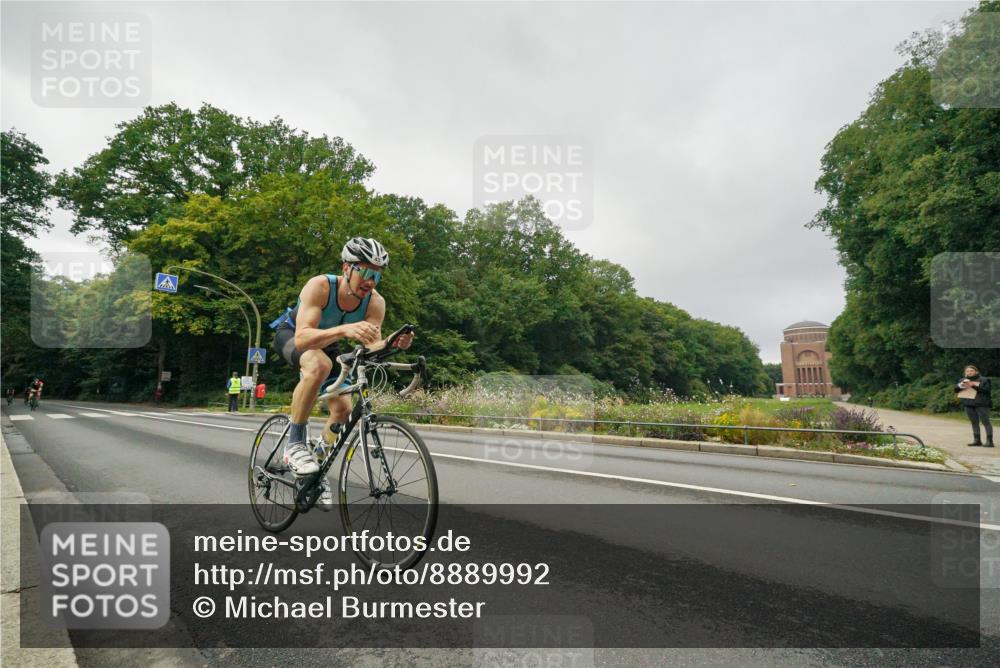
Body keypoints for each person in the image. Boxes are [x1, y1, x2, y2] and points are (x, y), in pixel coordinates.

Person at [271, 237, 413, 509]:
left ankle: (315, 473)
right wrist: (344, 330)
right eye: (366, 271)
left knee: (343, 410)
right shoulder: (321, 286)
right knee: (319, 366)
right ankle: (294, 444)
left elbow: (372, 346)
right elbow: (302, 339)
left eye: (377, 275)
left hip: (329, 342)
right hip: (294, 333)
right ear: (346, 268)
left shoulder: (375, 302)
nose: (371, 281)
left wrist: (394, 343)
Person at [956, 365, 993, 448]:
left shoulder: (984, 379)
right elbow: (956, 390)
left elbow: (986, 391)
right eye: (967, 371)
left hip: (982, 404)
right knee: (974, 422)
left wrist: (972, 385)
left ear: (976, 371)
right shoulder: (963, 380)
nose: (969, 372)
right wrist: (960, 385)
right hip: (968, 404)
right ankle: (977, 440)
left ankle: (989, 441)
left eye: (971, 371)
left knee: (985, 422)